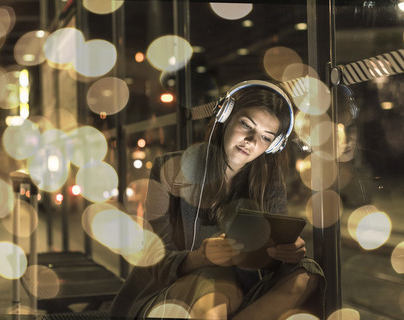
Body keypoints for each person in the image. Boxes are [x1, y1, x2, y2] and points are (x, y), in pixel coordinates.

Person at [109, 80, 325, 320]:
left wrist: (288, 252)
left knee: (308, 273)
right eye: (246, 125)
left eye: (265, 138)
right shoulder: (170, 170)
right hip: (170, 295)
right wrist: (198, 258)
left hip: (240, 295)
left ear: (274, 146)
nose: (251, 141)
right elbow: (153, 260)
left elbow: (269, 262)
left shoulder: (269, 184)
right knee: (214, 282)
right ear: (225, 116)